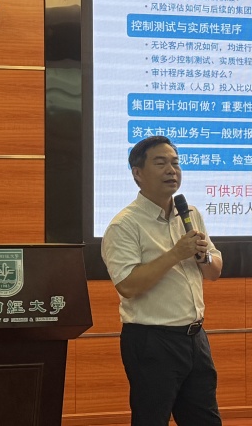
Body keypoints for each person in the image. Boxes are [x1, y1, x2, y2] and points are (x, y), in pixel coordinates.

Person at [101, 135, 223, 426]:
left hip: (195, 338)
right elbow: (127, 285)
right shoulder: (124, 225)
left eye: (175, 163)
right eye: (161, 163)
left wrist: (203, 256)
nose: (172, 170)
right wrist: (176, 254)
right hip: (151, 342)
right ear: (138, 173)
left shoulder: (189, 214)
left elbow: (214, 271)